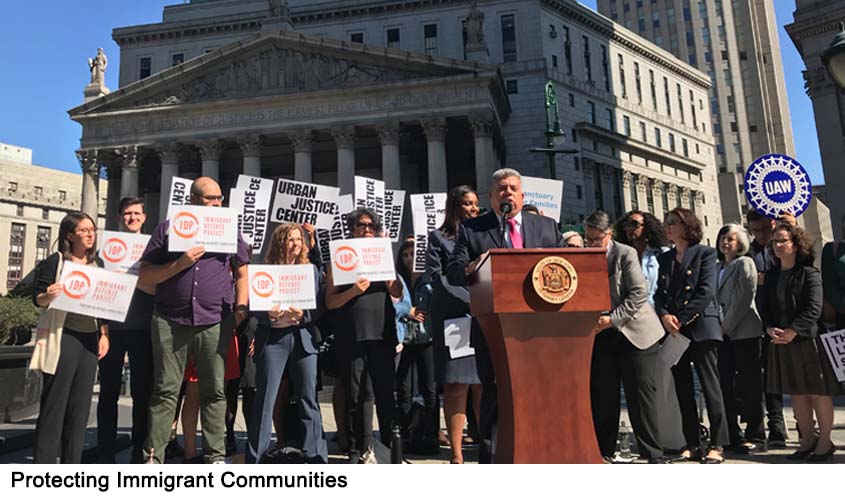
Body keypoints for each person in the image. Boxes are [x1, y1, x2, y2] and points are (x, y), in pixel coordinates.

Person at [445, 168, 563, 463]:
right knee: (495, 393)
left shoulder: (547, 226)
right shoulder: (473, 229)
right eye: (501, 189)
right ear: (491, 197)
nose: (507, 192)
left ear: (522, 195)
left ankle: (541, 451)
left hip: (539, 326)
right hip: (493, 327)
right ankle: (493, 458)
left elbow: (565, 265)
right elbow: (454, 272)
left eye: (512, 188)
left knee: (540, 390)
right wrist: (473, 266)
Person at [139, 177, 250, 464]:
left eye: (219, 198)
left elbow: (242, 271)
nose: (216, 203)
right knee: (165, 390)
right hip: (170, 319)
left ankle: (215, 456)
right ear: (193, 200)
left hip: (215, 320)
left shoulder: (230, 229)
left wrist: (240, 308)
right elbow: (145, 275)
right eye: (210, 198)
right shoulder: (168, 229)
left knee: (214, 391)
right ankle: (153, 457)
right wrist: (180, 264)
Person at [584, 211, 668, 464]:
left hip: (635, 331)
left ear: (608, 235)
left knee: (641, 396)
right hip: (602, 334)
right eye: (588, 239)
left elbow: (639, 293)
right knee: (604, 395)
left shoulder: (625, 253)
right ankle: (604, 452)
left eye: (597, 239)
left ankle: (652, 453)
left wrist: (613, 319)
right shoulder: (583, 256)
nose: (592, 244)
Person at [31, 212, 110, 463]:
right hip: (63, 336)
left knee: (80, 407)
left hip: (89, 339)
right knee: (55, 404)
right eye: (84, 230)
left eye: (92, 230)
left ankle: (71, 466)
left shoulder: (98, 264)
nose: (90, 235)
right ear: (69, 235)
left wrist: (104, 334)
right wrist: (49, 295)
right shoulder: (56, 261)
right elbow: (37, 299)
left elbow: (103, 304)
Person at [325, 207, 402, 464]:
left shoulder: (384, 255)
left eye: (372, 226)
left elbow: (398, 292)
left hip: (382, 333)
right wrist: (353, 291)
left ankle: (391, 449)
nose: (367, 230)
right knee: (356, 394)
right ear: (352, 229)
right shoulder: (339, 257)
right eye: (361, 225)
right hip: (352, 334)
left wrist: (388, 274)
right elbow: (331, 302)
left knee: (385, 393)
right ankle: (358, 449)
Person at [247, 223, 327, 463]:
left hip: (303, 338)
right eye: (290, 239)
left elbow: (320, 306)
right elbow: (254, 307)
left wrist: (304, 315)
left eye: (299, 239)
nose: (296, 244)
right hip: (274, 340)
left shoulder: (310, 271)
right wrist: (269, 315)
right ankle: (256, 459)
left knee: (308, 398)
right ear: (280, 242)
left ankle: (316, 456)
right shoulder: (265, 272)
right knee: (266, 399)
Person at [762, 224, 841, 462]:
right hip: (782, 341)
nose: (778, 245)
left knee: (818, 392)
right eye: (775, 241)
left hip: (808, 340)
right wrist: (769, 328)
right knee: (797, 393)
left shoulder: (809, 273)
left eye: (783, 240)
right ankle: (807, 440)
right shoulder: (771, 275)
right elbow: (764, 307)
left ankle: (825, 442)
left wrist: (793, 330)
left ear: (795, 244)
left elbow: (814, 308)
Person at [655, 207, 728, 463]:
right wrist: (664, 315)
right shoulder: (665, 258)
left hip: (700, 327)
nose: (668, 227)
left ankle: (717, 444)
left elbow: (705, 291)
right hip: (675, 331)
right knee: (683, 388)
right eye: (667, 222)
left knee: (710, 386)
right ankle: (692, 442)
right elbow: (659, 293)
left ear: (687, 226)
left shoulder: (705, 253)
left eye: (673, 222)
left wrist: (681, 319)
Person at [425, 185, 483, 463]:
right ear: (455, 206)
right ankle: (457, 453)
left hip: (483, 316)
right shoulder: (438, 238)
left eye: (476, 203)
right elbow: (438, 278)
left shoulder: (483, 236)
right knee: (457, 385)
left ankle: (486, 445)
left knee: (483, 384)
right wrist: (470, 300)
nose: (474, 208)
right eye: (468, 203)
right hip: (455, 317)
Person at [96, 197, 155, 463]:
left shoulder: (153, 248)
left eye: (136, 213)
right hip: (113, 329)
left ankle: (138, 452)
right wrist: (103, 332)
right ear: (120, 217)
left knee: (143, 393)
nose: (132, 218)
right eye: (127, 213)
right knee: (108, 392)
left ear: (144, 217)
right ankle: (106, 452)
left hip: (144, 328)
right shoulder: (106, 250)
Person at [715, 223, 766, 454]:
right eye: (723, 238)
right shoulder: (717, 267)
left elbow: (744, 297)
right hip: (721, 334)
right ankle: (731, 434)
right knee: (725, 383)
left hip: (744, 331)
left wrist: (726, 325)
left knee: (750, 384)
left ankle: (756, 435)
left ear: (741, 243)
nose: (726, 242)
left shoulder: (745, 263)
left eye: (731, 239)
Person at [746, 209, 788, 447]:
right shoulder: (749, 252)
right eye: (755, 230)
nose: (760, 234)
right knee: (765, 375)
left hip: (784, 318)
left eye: (763, 229)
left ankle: (801, 424)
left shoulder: (781, 246)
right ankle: (774, 424)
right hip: (758, 319)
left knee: (788, 374)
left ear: (772, 224)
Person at [394, 239, 438, 453]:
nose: (410, 259)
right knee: (403, 390)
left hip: (426, 338)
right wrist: (407, 311)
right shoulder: (397, 280)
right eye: (405, 255)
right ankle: (405, 436)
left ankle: (430, 435)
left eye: (413, 254)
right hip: (403, 340)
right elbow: (391, 306)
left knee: (429, 389)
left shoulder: (429, 278)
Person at [614, 210, 668, 305]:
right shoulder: (622, 256)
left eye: (635, 224)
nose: (630, 228)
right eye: (627, 225)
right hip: (632, 310)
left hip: (657, 308)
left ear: (647, 227)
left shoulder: (662, 253)